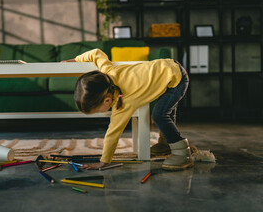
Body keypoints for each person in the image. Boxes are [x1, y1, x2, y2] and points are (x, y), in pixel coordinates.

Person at [62, 48, 193, 170]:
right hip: (167, 66)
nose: (99, 113)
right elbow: (96, 53)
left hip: (177, 78)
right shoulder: (107, 72)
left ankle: (183, 153)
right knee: (165, 114)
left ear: (107, 100)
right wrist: (76, 60)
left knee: (160, 115)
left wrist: (104, 161)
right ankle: (165, 144)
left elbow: (112, 133)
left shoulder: (124, 103)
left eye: (97, 110)